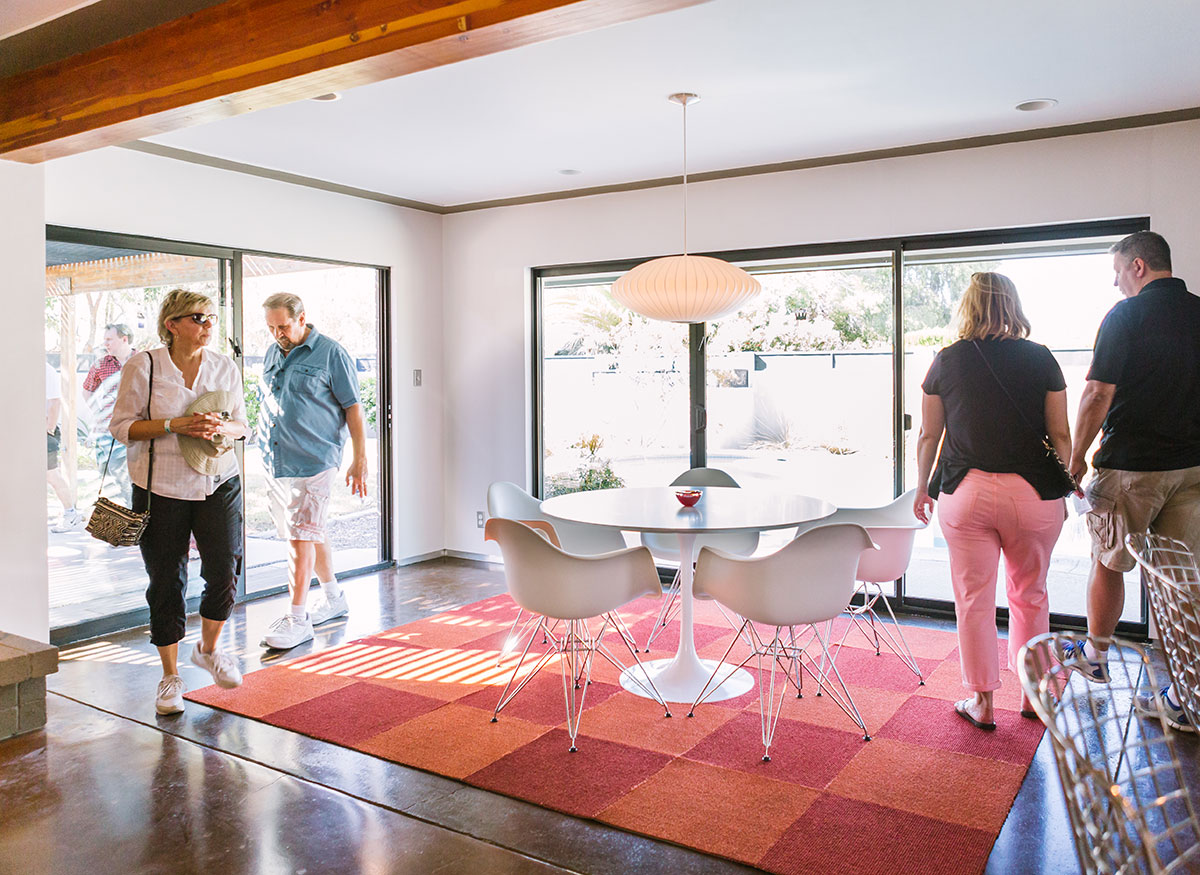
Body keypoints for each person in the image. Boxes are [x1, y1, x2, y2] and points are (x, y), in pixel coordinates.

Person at [914, 272, 1072, 730]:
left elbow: (929, 434)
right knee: (1030, 594)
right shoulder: (1041, 359)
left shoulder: (947, 361)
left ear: (968, 306)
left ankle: (981, 702)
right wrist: (1060, 488)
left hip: (966, 491)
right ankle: (1034, 696)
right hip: (1032, 495)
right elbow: (1060, 434)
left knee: (973, 599)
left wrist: (923, 486)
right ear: (1012, 305)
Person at [1067, 231, 1200, 732]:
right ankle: (1185, 697)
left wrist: (1077, 457)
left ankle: (1096, 657)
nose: (1117, 282)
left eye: (1119, 271)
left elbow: (1098, 391)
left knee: (1108, 561)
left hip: (1131, 467)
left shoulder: (1126, 316)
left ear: (1138, 266)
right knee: (1180, 581)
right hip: (1192, 468)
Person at [110, 289, 248, 715]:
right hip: (160, 486)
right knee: (167, 579)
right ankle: (170, 676)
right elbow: (121, 428)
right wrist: (175, 425)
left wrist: (220, 429)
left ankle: (208, 650)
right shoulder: (144, 365)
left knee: (224, 569)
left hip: (218, 480)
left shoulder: (224, 367)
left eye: (211, 318)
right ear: (171, 324)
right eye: (197, 318)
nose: (208, 326)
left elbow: (243, 426)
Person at [258, 292, 367, 651]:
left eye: (284, 326)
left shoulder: (331, 353)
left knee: (299, 538)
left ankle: (298, 618)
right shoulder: (274, 353)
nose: (278, 334)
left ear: (302, 318)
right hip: (280, 460)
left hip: (317, 460)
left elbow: (353, 408)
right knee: (311, 531)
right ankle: (334, 597)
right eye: (272, 328)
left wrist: (359, 458)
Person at [84, 323, 136, 505]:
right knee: (113, 473)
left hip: (138, 428)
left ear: (124, 339)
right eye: (105, 339)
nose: (105, 343)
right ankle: (129, 513)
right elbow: (87, 391)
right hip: (110, 432)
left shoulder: (143, 360)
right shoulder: (101, 364)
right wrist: (101, 414)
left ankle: (137, 514)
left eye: (109, 339)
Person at [46, 360, 84, 532]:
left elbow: (55, 402)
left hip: (44, 431)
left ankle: (70, 513)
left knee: (51, 475)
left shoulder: (45, 370)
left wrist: (49, 430)